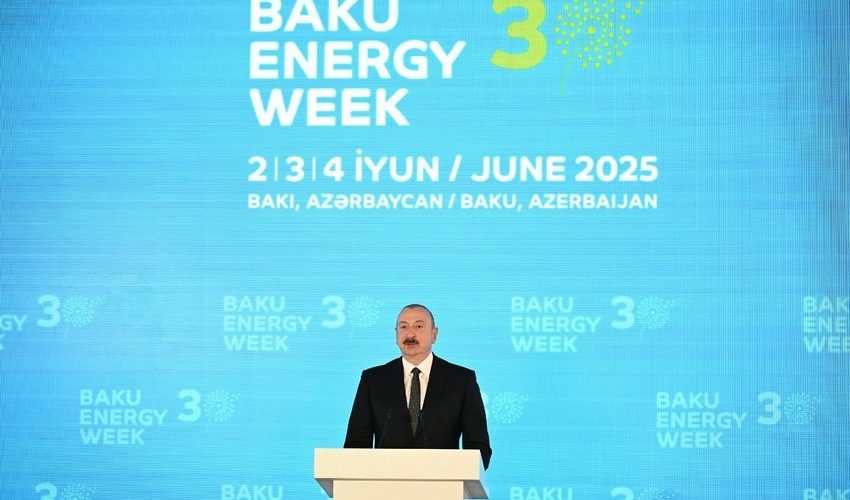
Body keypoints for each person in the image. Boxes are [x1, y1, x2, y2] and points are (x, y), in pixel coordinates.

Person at [344, 304, 492, 469]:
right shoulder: (372, 380)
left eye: (418, 326)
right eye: (403, 327)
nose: (410, 334)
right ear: (396, 334)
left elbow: (479, 448)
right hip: (386, 480)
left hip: (442, 480)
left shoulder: (461, 380)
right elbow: (355, 445)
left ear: (434, 334)